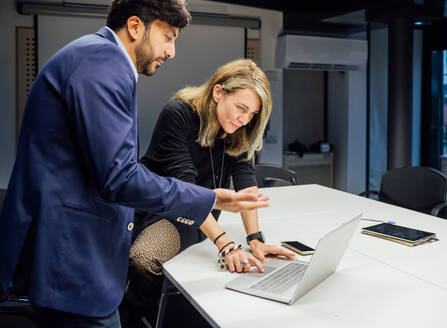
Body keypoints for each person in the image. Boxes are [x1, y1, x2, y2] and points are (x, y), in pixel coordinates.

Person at [0, 1, 269, 327]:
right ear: (135, 26)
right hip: (70, 257)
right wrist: (211, 201)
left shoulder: (95, 57)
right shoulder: (104, 62)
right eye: (168, 37)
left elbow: (105, 169)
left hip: (75, 250)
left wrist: (255, 237)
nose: (171, 52)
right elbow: (120, 176)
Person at [120, 58, 296, 326]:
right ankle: (132, 317)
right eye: (241, 108)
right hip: (162, 203)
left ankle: (138, 316)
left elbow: (245, 180)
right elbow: (186, 188)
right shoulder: (178, 114)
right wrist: (226, 246)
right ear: (218, 92)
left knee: (144, 258)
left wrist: (255, 239)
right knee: (141, 260)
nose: (244, 119)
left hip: (194, 213)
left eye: (252, 114)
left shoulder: (240, 127)